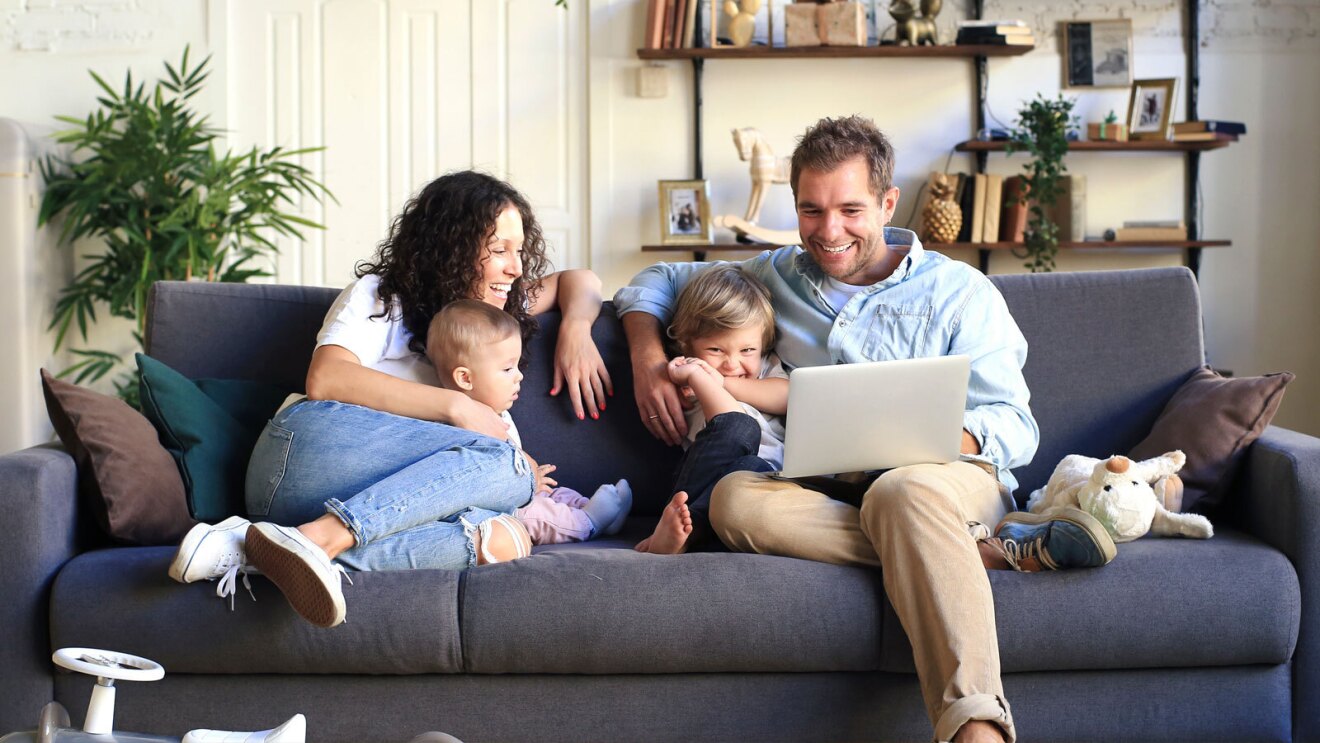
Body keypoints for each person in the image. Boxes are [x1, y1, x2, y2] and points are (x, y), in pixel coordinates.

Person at [613, 115, 1117, 743]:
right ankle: (974, 548)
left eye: (850, 209)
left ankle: (975, 727)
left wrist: (919, 442)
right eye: (811, 209)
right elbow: (657, 281)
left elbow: (1014, 426)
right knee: (737, 502)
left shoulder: (961, 292)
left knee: (902, 491)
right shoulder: (772, 275)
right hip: (819, 486)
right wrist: (646, 358)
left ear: (886, 202)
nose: (829, 232)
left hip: (942, 480)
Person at [168, 170, 613, 629]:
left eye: (519, 250)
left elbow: (578, 280)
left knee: (505, 536)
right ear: (451, 249)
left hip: (355, 507)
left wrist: (577, 331)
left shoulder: (492, 312)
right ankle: (321, 539)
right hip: (302, 458)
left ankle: (257, 549)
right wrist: (458, 408)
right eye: (499, 250)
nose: (517, 267)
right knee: (510, 465)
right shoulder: (382, 297)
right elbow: (327, 377)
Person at [425, 299, 632, 545]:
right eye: (507, 369)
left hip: (519, 491)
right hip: (497, 508)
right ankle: (589, 523)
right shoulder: (458, 424)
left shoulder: (498, 413)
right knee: (535, 515)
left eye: (517, 366)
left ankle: (601, 514)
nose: (519, 376)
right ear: (465, 378)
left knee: (555, 494)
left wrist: (532, 479)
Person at [633, 264, 788, 554]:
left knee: (753, 468)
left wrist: (721, 380)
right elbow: (731, 422)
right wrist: (700, 377)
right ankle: (677, 533)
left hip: (763, 486)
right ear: (686, 344)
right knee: (739, 430)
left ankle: (686, 539)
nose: (732, 364)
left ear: (763, 344)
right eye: (716, 350)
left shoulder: (766, 367)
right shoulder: (686, 375)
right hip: (709, 483)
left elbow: (787, 396)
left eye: (747, 351)